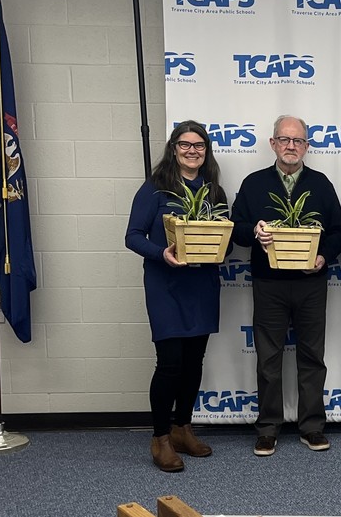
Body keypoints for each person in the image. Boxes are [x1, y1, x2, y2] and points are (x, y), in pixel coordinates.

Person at [230, 115, 341, 457]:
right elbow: (235, 228)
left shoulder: (320, 184)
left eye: (297, 141)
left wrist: (323, 257)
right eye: (284, 139)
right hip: (269, 283)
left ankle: (312, 426)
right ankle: (268, 428)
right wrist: (254, 232)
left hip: (311, 283)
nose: (291, 146)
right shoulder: (254, 183)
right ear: (273, 143)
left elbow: (338, 231)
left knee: (312, 356)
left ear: (306, 146)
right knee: (268, 358)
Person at [126, 120, 228, 472]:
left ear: (206, 151)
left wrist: (218, 247)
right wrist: (161, 253)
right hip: (165, 286)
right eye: (185, 145)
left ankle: (183, 428)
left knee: (194, 362)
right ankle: (160, 438)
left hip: (202, 285)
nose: (192, 151)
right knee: (169, 364)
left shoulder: (214, 191)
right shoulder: (155, 188)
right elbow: (132, 236)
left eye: (199, 145)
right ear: (173, 149)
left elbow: (224, 239)